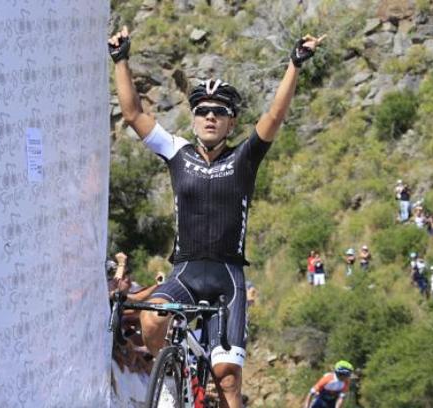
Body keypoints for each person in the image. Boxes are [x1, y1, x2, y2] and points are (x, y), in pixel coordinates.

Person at [109, 25, 326, 407]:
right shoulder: (177, 152)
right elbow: (132, 113)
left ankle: (205, 373)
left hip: (227, 279)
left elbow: (275, 116)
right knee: (153, 318)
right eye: (202, 111)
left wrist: (295, 64)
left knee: (227, 382)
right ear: (194, 119)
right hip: (186, 272)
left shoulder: (243, 158)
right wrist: (121, 58)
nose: (210, 117)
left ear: (231, 123)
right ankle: (171, 379)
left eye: (219, 112)